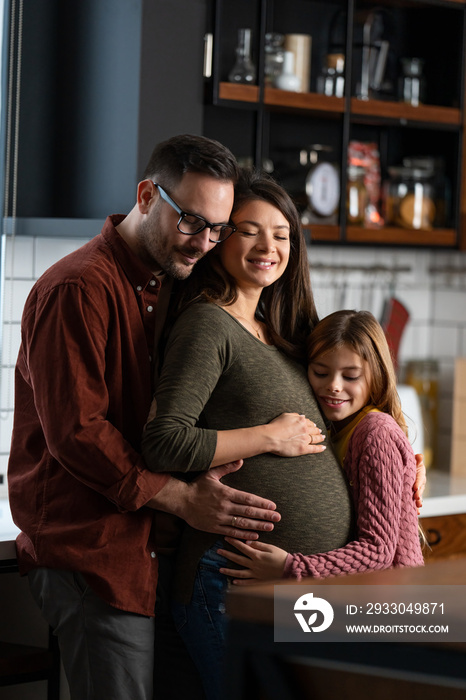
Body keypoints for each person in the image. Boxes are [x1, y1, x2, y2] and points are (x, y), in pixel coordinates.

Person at [7, 135, 288, 700]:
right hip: (93, 554)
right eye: (190, 220)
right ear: (144, 195)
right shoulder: (77, 287)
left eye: (218, 228)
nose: (204, 241)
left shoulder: (169, 284)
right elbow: (78, 434)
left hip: (148, 554)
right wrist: (183, 499)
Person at [142, 171, 426, 700]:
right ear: (222, 237)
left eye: (281, 233)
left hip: (301, 592)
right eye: (249, 230)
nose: (268, 246)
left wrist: (404, 463)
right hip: (230, 575)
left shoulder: (286, 333)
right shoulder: (210, 324)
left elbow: (348, 415)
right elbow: (163, 440)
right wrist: (267, 437)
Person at [218, 309, 425, 584]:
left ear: (377, 375)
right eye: (320, 372)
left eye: (350, 376)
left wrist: (291, 568)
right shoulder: (335, 427)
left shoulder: (375, 432)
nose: (334, 386)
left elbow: (378, 551)